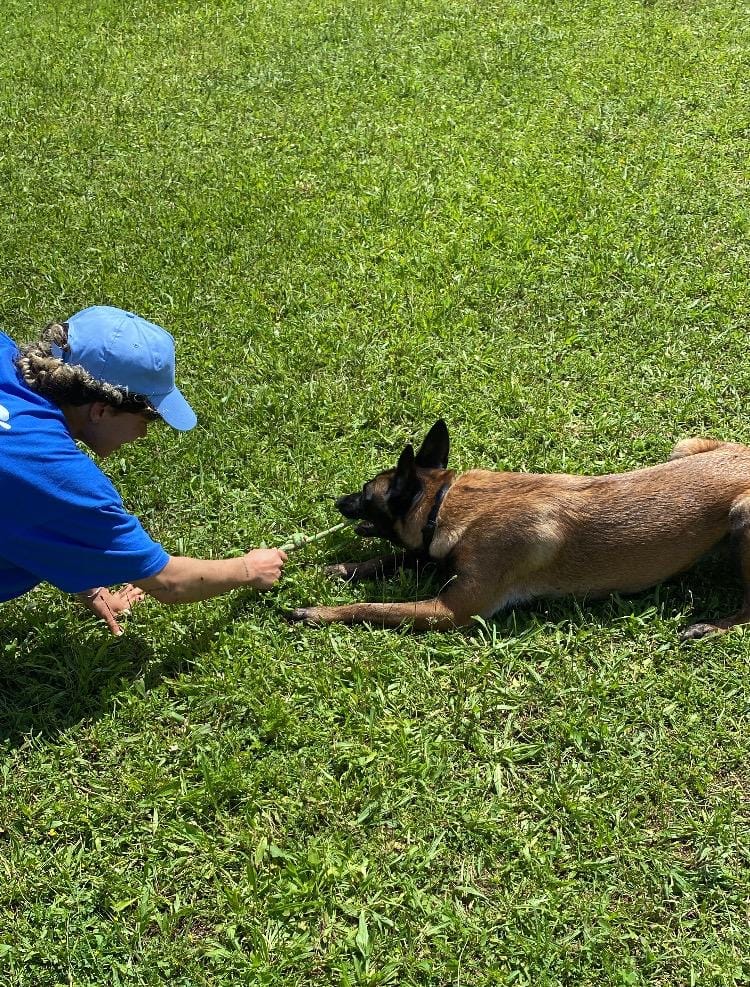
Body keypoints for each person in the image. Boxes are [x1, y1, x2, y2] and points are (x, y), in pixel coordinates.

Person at [0, 305, 287, 636]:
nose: (143, 434)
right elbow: (168, 583)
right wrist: (249, 568)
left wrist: (84, 572)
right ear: (101, 410)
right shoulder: (61, 479)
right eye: (145, 419)